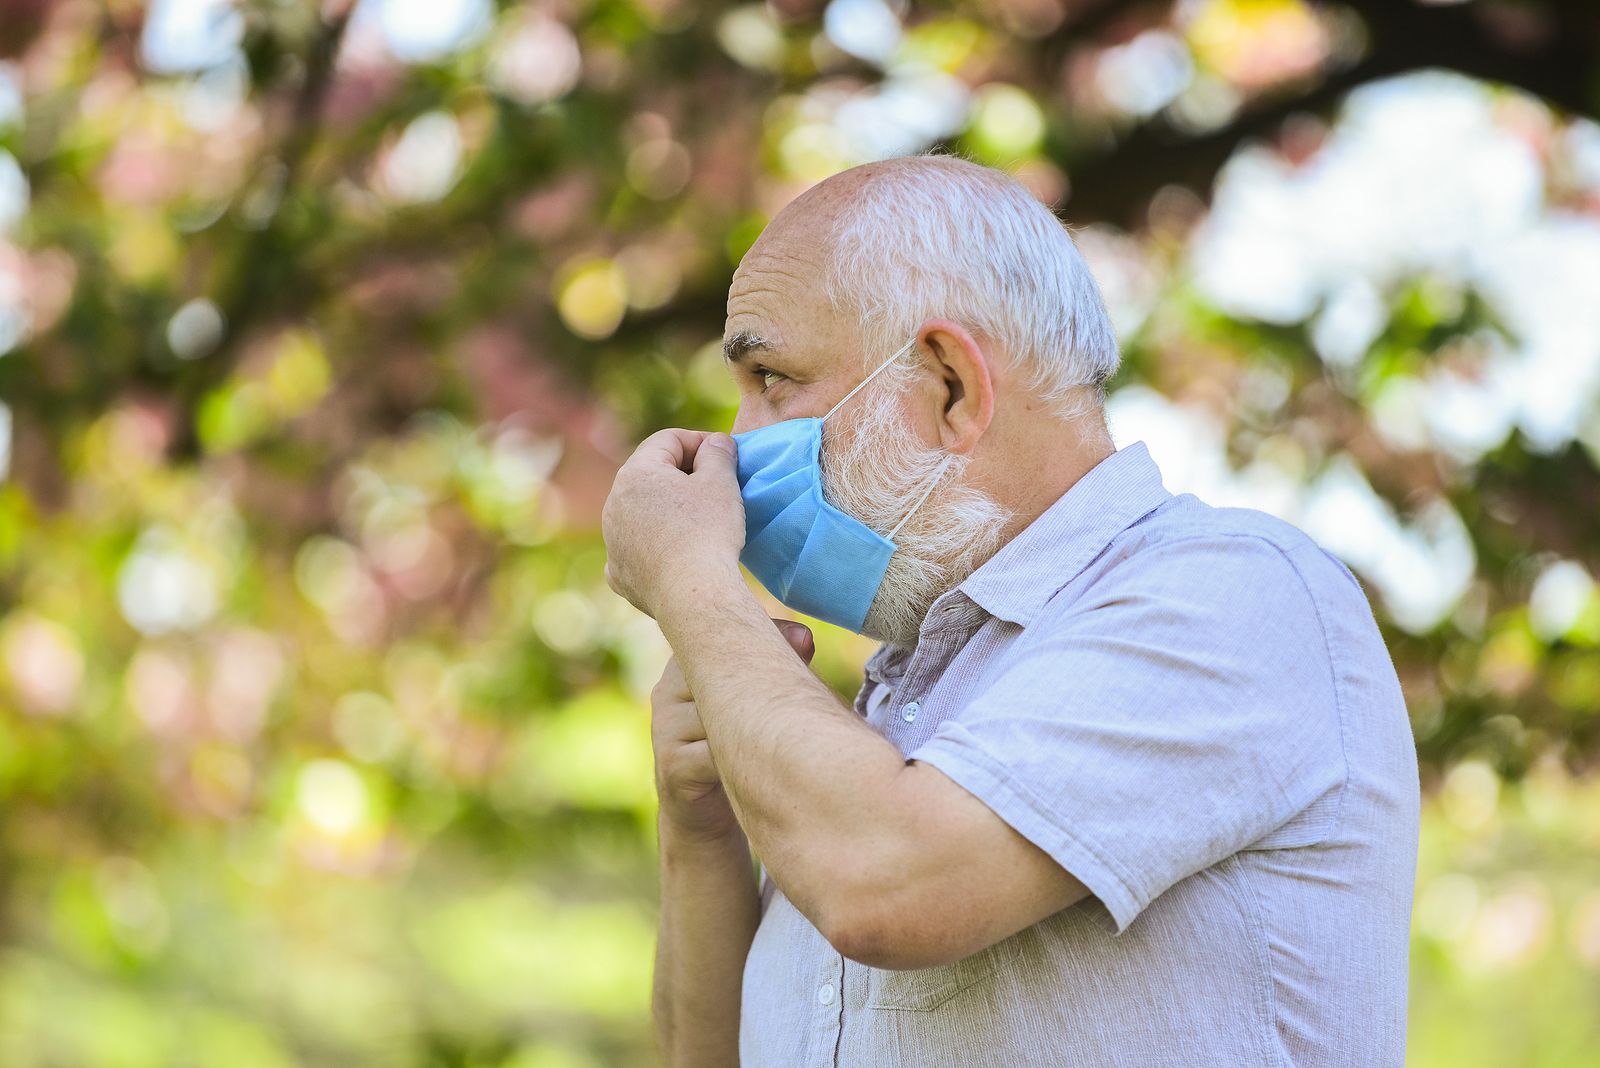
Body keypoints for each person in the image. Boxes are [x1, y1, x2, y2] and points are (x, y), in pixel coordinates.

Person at [601, 153, 1420, 1068]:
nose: (740, 441)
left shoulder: (1237, 591)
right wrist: (702, 823)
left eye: (771, 379)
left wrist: (692, 583)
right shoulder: (881, 713)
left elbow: (883, 889)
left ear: (950, 383)